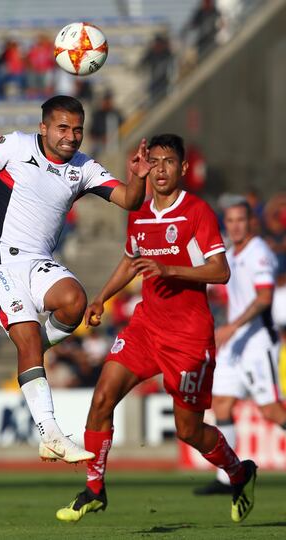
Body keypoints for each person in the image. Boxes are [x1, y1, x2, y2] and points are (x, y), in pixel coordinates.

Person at [56, 134, 256, 524]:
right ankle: (94, 489)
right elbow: (131, 261)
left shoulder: (196, 211)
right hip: (146, 327)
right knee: (102, 398)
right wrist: (101, 298)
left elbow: (221, 270)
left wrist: (170, 269)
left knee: (189, 431)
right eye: (155, 161)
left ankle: (238, 471)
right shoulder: (141, 212)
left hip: (188, 337)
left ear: (182, 169)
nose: (160, 169)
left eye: (168, 162)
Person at [0, 95, 154, 464]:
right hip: (0, 263)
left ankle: (31, 357)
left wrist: (138, 177)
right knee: (27, 336)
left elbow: (130, 200)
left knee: (74, 301)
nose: (71, 136)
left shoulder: (84, 167)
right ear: (43, 127)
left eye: (77, 129)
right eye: (63, 127)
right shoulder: (15, 145)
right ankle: (51, 433)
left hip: (40, 262)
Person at [194, 197, 286, 495]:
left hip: (258, 342)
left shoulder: (259, 252)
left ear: (251, 223)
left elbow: (264, 298)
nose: (234, 226)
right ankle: (228, 478)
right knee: (221, 404)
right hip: (235, 345)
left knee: (272, 411)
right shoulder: (230, 255)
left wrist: (232, 326)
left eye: (240, 220)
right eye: (230, 220)